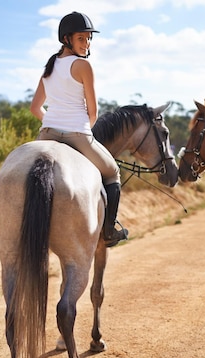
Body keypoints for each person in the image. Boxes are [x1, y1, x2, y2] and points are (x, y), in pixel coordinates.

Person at [30, 11, 128, 247]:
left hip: (46, 134)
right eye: (82, 38)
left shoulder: (49, 68)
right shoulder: (83, 65)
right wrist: (79, 130)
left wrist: (52, 123)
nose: (87, 43)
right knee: (113, 172)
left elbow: (35, 108)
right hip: (78, 134)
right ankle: (109, 231)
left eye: (89, 39)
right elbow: (93, 112)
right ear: (67, 39)